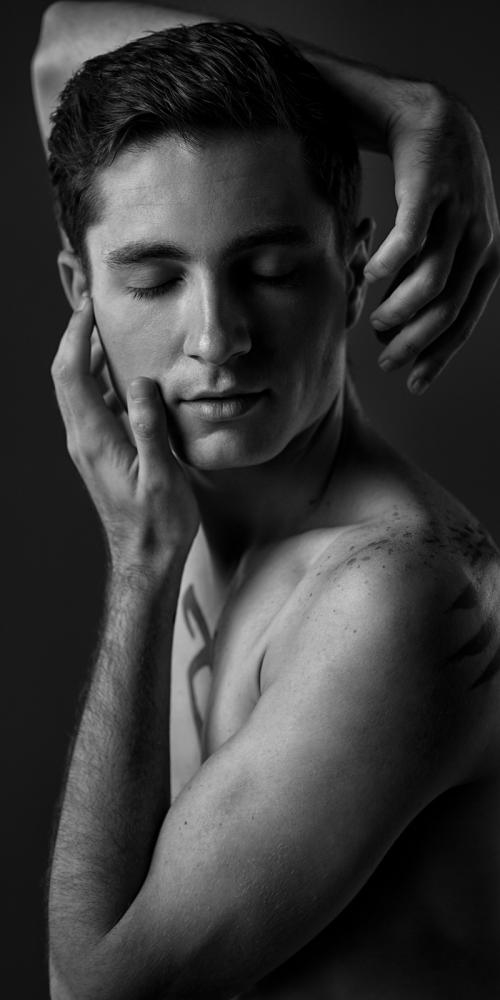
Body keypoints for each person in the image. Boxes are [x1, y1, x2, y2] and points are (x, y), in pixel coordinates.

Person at [32, 4, 500, 998]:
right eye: (153, 279)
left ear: (353, 265)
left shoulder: (391, 595)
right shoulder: (220, 509)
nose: (216, 338)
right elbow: (61, 43)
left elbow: (93, 991)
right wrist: (413, 113)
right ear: (81, 290)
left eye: (272, 270)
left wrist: (141, 567)